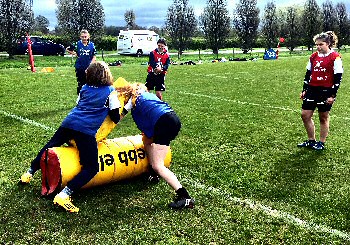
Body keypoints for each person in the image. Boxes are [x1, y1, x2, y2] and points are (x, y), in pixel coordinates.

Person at [19, 61, 121, 213]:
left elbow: (79, 104)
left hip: (69, 122)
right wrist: (126, 107)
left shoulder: (84, 88)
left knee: (50, 145)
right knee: (92, 168)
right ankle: (64, 194)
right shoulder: (111, 91)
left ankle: (29, 173)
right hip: (85, 130)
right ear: (106, 74)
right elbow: (115, 118)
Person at [117, 83, 195, 210]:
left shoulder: (134, 102)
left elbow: (119, 118)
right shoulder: (146, 95)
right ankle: (153, 173)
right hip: (171, 118)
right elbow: (147, 136)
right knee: (147, 141)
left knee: (158, 165)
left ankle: (185, 197)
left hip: (164, 123)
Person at [298, 31, 343, 150]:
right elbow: (308, 74)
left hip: (326, 91)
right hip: (312, 89)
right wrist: (304, 89)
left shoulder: (335, 57)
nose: (318, 47)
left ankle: (321, 143)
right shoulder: (313, 56)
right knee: (305, 115)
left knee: (323, 117)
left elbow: (338, 78)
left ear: (328, 44)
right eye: (316, 44)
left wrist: (332, 95)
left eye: (321, 44)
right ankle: (311, 140)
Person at [67, 29, 97, 95]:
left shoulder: (92, 45)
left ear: (88, 36)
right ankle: (80, 97)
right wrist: (74, 53)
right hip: (79, 67)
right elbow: (68, 49)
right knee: (81, 83)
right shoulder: (77, 44)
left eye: (85, 36)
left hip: (89, 67)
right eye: (82, 37)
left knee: (90, 83)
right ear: (80, 37)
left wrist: (90, 66)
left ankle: (89, 96)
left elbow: (94, 56)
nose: (84, 38)